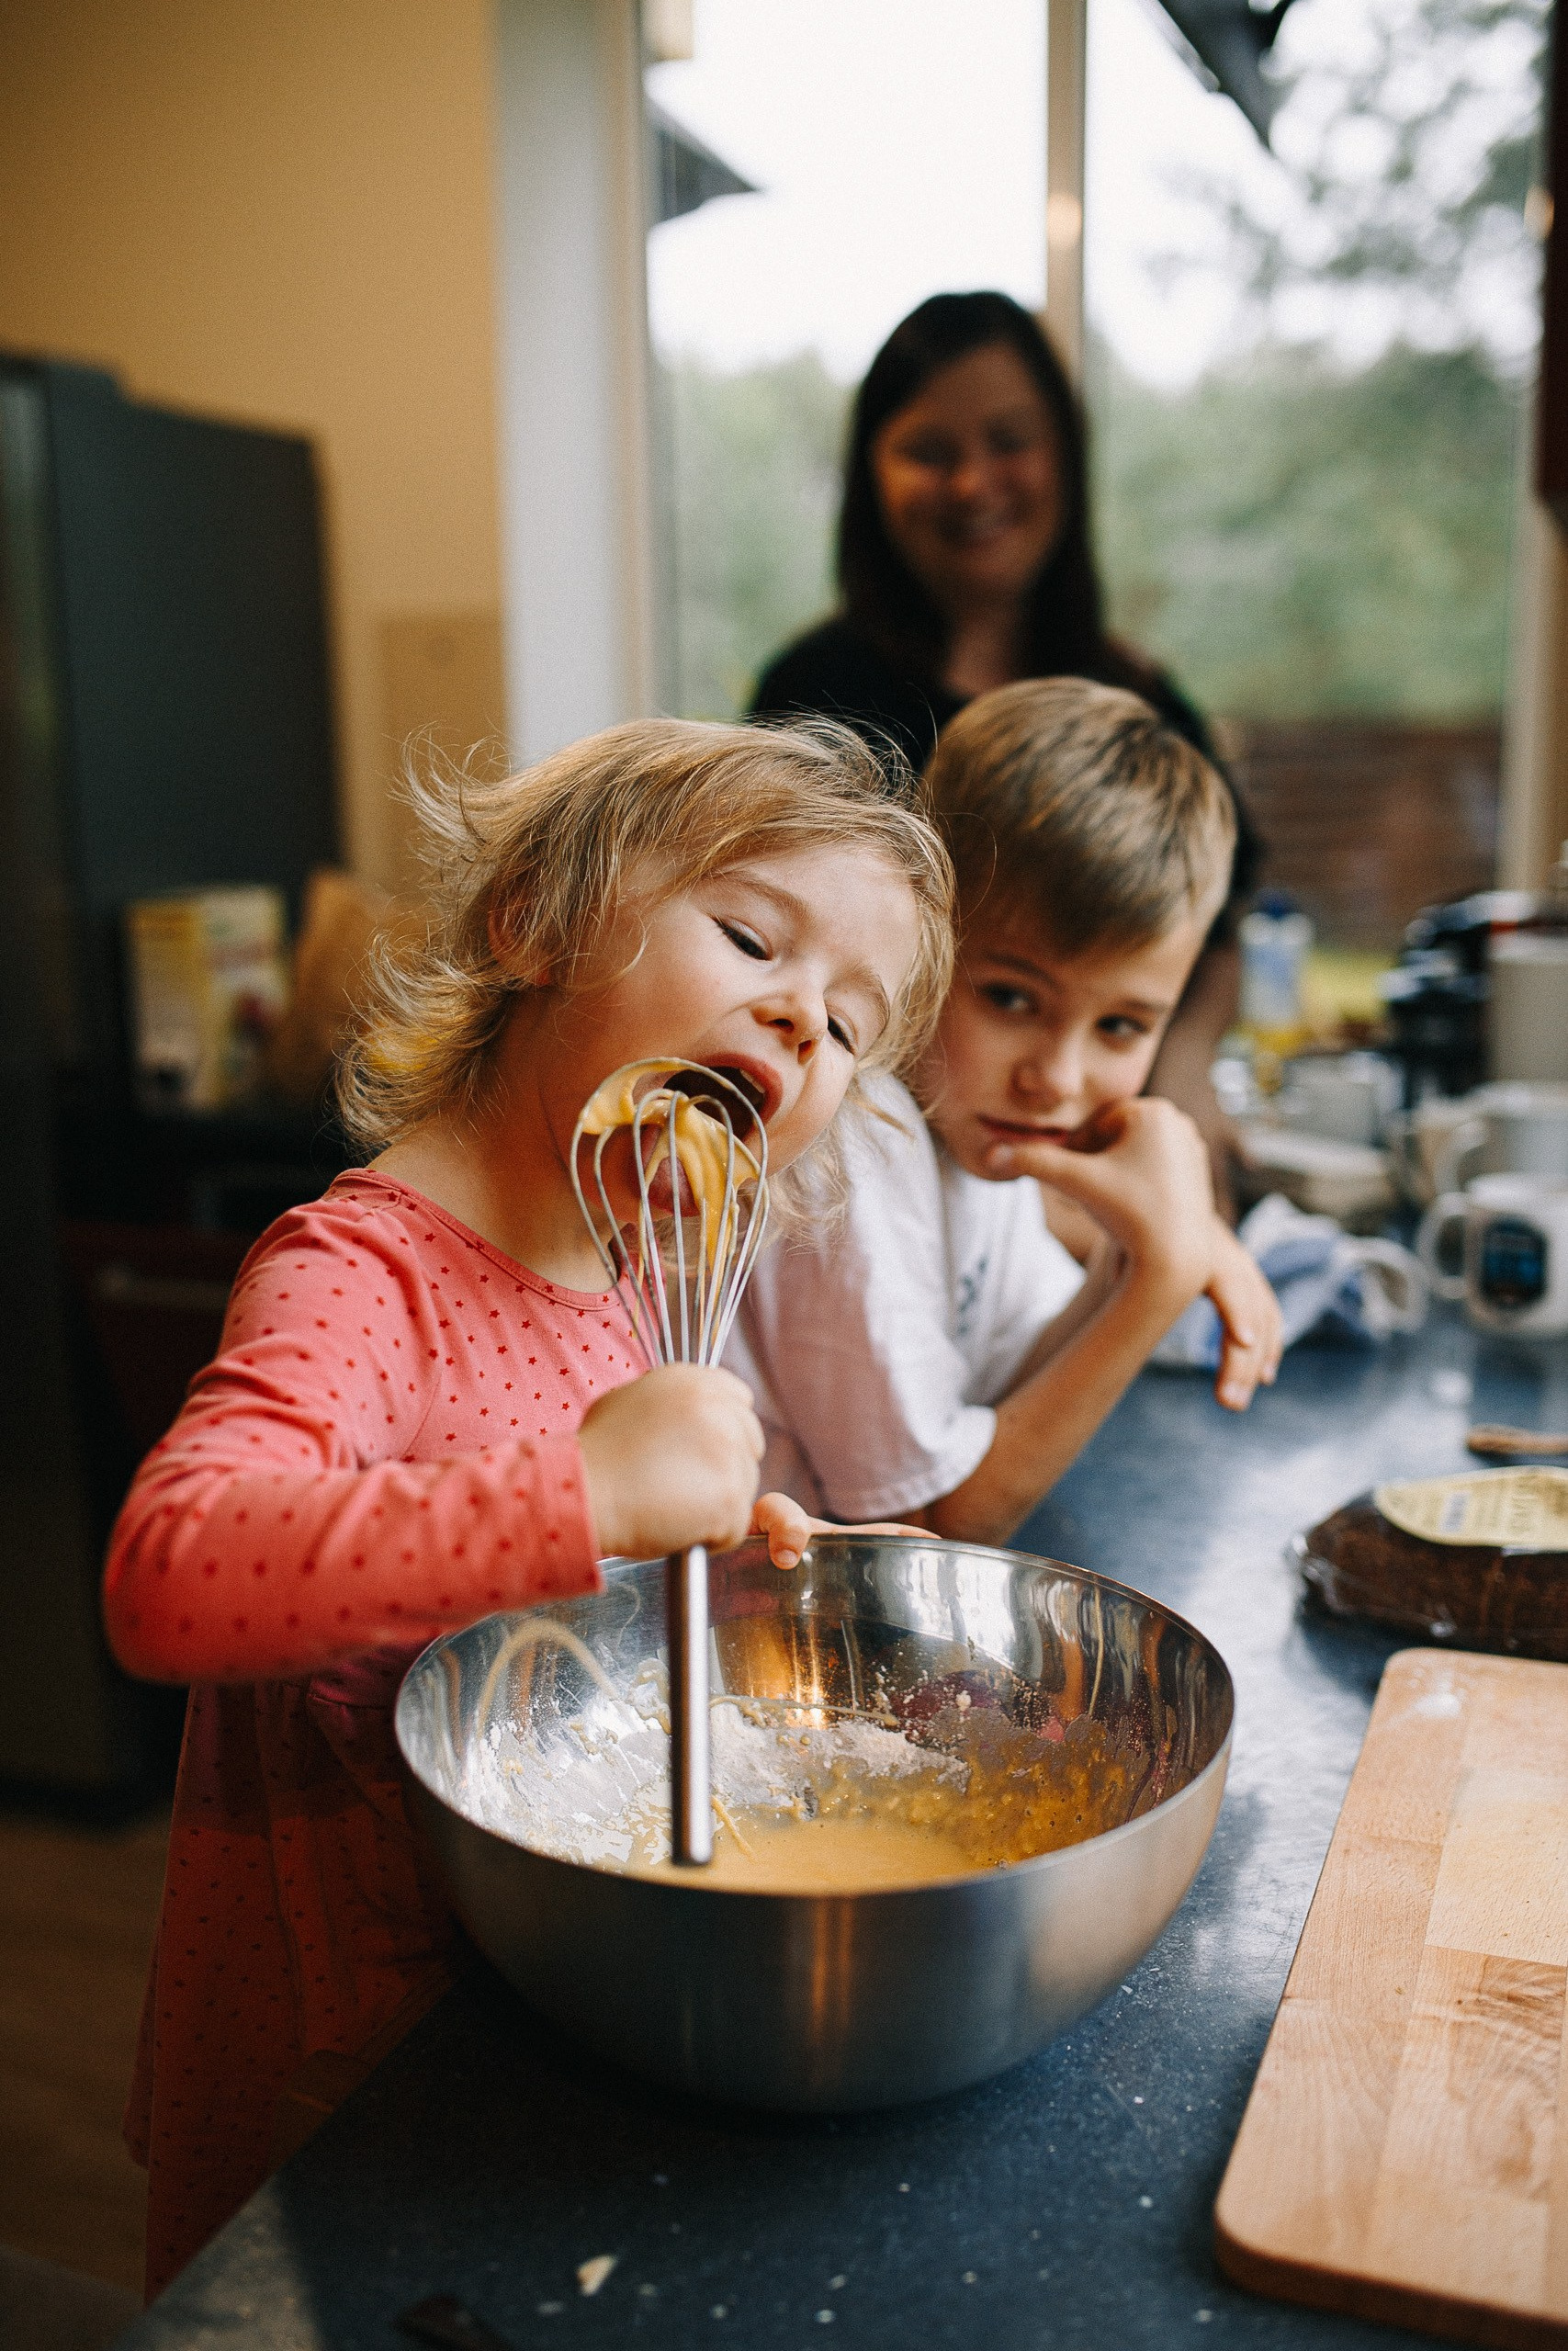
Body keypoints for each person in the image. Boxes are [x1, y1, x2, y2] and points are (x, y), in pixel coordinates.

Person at [101, 717, 953, 2294]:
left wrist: (742, 1544)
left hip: (517, 1986)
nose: (798, 1011)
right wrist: (588, 1488)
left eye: (847, 1022)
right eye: (750, 935)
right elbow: (171, 1574)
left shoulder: (627, 1269)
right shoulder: (363, 1272)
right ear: (532, 924)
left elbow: (557, 1571)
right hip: (343, 2055)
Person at [727, 679, 1283, 1542]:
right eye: (1010, 999)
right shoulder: (856, 1135)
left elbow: (1008, 1387)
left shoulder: (972, 1127)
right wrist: (1161, 1280)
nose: (1055, 1078)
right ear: (921, 928)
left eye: (1121, 1026)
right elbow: (932, 1522)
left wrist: (1138, 1246)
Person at [750, 289, 1262, 1189]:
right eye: (930, 452)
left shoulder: (1134, 697)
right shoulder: (815, 697)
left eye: (1009, 441)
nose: (973, 483)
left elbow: (1214, 932)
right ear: (871, 472)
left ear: (1064, 452)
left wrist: (1182, 1073)